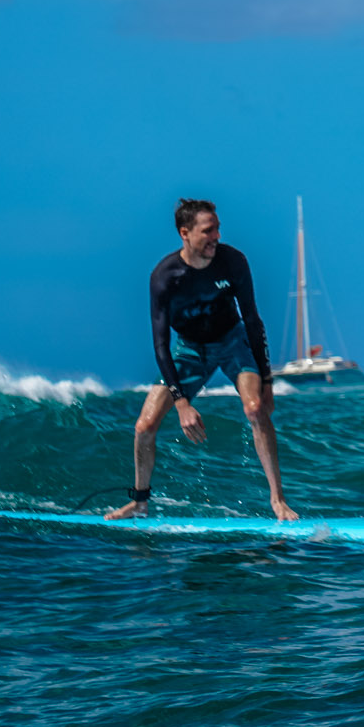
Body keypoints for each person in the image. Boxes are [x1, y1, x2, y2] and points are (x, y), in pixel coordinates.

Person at [106, 199, 299, 520]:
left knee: (255, 409)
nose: (217, 236)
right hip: (189, 350)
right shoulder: (165, 277)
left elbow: (253, 321)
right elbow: (161, 345)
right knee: (144, 426)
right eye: (208, 230)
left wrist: (267, 381)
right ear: (185, 233)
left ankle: (278, 500)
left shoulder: (232, 261)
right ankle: (139, 502)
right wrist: (182, 404)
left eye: (218, 229)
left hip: (232, 342)